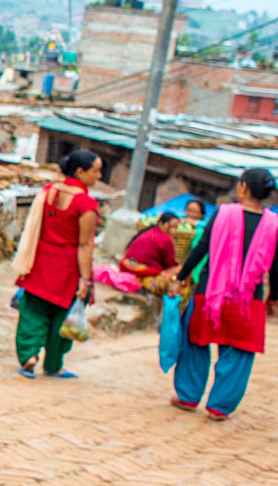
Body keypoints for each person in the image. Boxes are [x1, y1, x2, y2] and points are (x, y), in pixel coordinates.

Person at [170, 168, 278, 421]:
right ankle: (220, 407)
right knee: (239, 353)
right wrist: (273, 298)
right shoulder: (274, 226)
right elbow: (276, 269)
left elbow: (201, 249)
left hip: (210, 294)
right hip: (249, 299)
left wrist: (179, 278)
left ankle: (188, 396)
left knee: (195, 343)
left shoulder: (224, 214)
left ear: (243, 187)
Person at [11, 149, 101, 378]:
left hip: (40, 260)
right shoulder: (86, 204)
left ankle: (28, 357)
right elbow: (84, 245)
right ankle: (53, 364)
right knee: (62, 316)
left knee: (32, 311)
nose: (99, 176)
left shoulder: (48, 192)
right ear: (80, 172)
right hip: (68, 268)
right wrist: (85, 279)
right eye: (96, 171)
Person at [120, 210, 181, 293]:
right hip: (142, 270)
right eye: (172, 227)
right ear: (161, 223)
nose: (174, 231)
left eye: (175, 228)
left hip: (126, 266)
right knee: (179, 270)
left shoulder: (149, 232)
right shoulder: (166, 239)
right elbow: (170, 263)